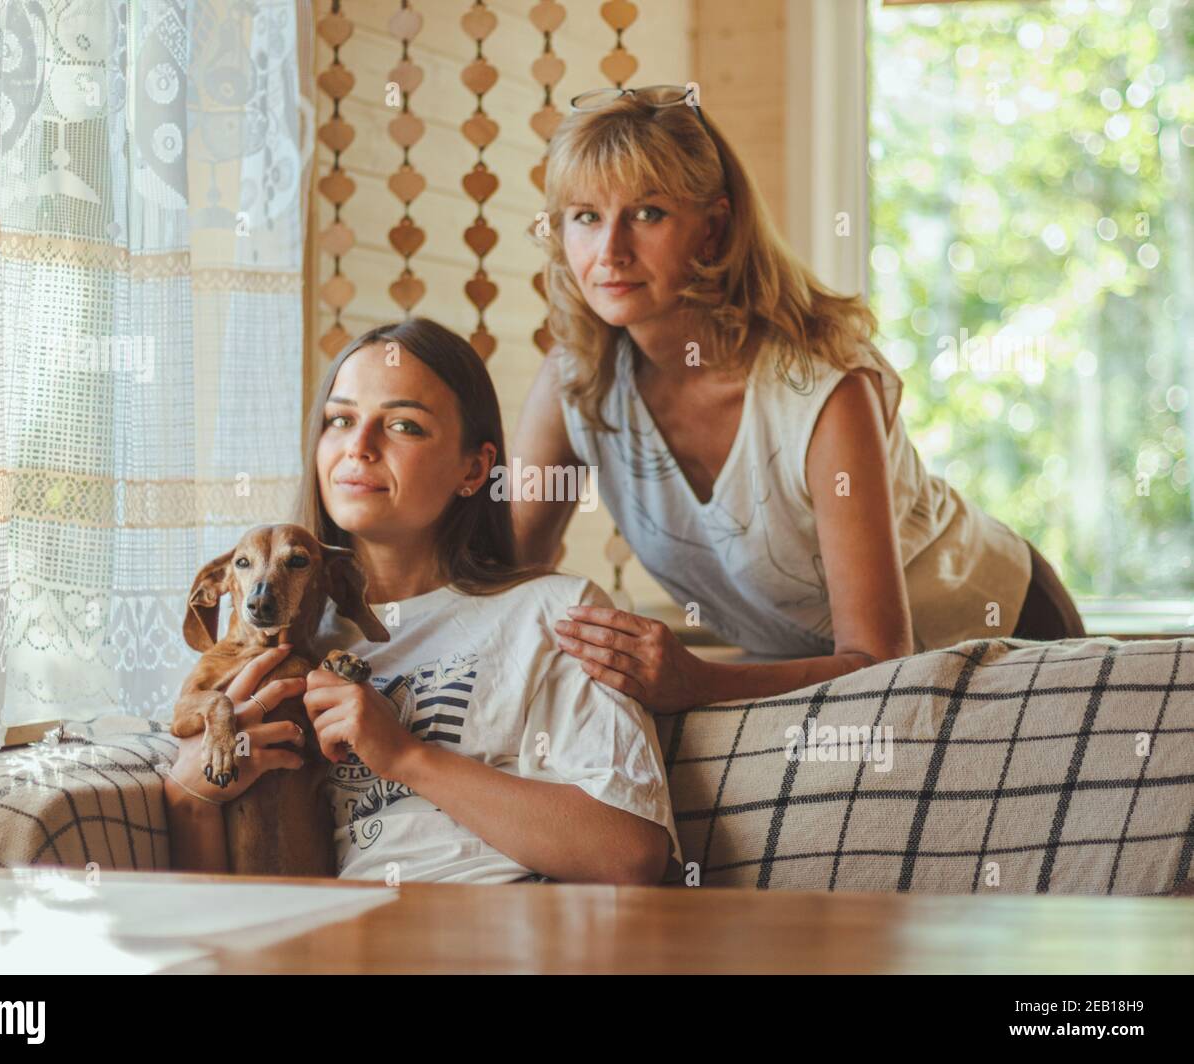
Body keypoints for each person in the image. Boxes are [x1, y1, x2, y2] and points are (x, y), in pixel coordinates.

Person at [511, 84, 1085, 716]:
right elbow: (503, 575)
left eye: (648, 213)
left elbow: (877, 662)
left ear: (714, 227)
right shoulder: (575, 381)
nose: (611, 250)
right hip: (838, 678)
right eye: (586, 216)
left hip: (1002, 637)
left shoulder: (821, 390)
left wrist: (697, 682)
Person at [165, 317, 683, 885]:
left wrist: (406, 756)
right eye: (340, 420)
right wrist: (189, 796)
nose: (358, 447)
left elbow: (630, 854)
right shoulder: (288, 648)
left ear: (474, 468)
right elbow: (222, 907)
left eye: (404, 425)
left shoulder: (554, 612)